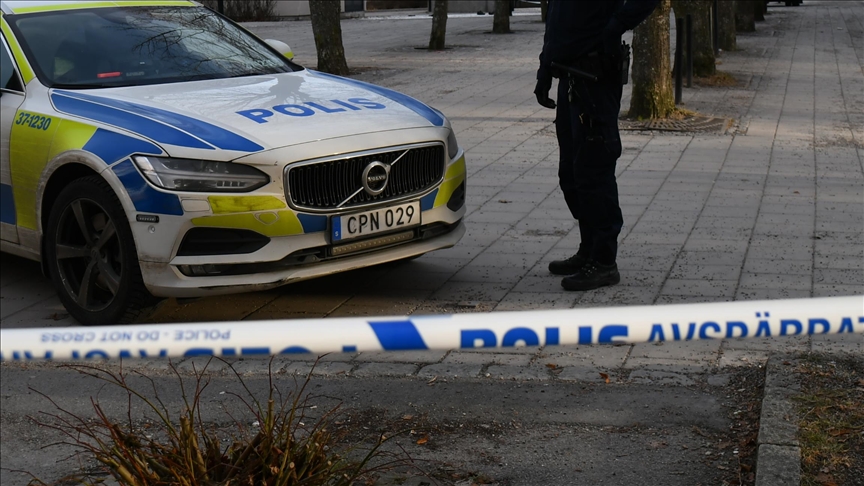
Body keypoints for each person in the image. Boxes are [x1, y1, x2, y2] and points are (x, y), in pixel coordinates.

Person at [534, 0, 660, 291]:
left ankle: (604, 262)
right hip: (569, 76)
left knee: (594, 170)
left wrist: (613, 28)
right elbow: (556, 16)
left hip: (595, 78)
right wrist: (545, 69)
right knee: (571, 173)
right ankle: (588, 249)